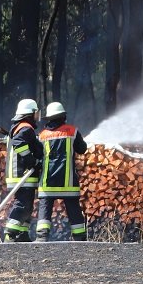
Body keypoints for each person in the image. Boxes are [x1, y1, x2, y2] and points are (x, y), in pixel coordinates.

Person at [36, 102, 89, 241]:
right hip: (68, 181)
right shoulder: (72, 131)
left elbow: (37, 154)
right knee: (73, 208)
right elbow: (82, 149)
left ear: (49, 118)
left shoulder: (42, 135)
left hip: (48, 181)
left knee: (45, 208)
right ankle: (80, 237)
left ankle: (41, 237)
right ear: (63, 116)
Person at [3, 98, 44, 242]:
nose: (37, 116)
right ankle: (10, 233)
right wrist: (31, 161)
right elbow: (19, 144)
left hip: (22, 174)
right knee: (22, 205)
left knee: (27, 206)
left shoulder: (19, 127)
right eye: (36, 113)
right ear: (30, 113)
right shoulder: (25, 128)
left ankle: (22, 234)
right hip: (21, 174)